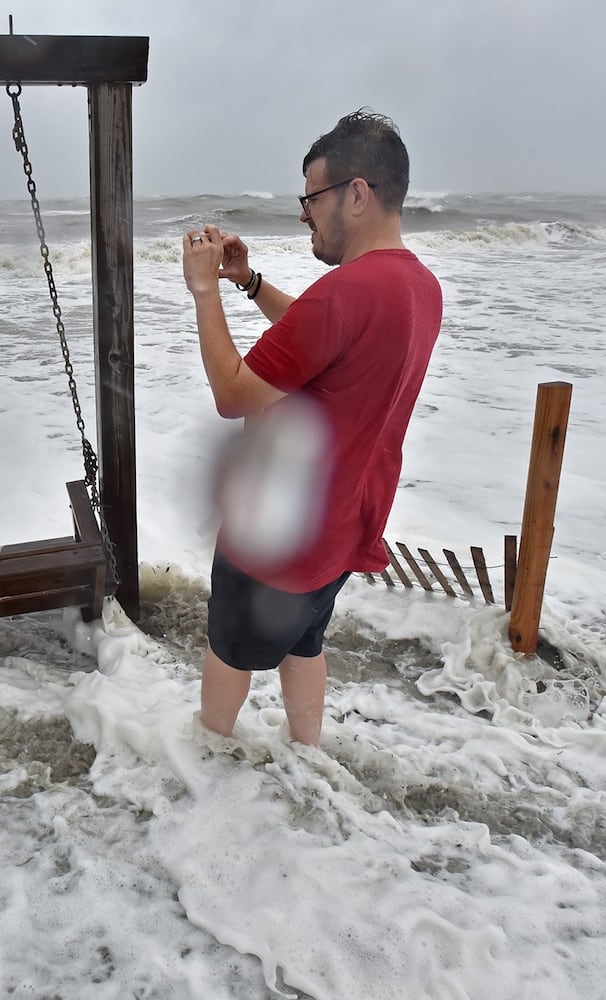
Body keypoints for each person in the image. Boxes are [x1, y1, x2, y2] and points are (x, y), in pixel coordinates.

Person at [180, 109, 443, 746]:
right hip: (343, 522)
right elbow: (322, 331)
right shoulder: (418, 285)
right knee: (305, 640)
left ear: (356, 194)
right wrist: (248, 282)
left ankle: (205, 760)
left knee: (229, 651)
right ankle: (308, 754)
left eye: (310, 196)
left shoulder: (344, 293)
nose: (303, 213)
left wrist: (205, 293)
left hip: (277, 528)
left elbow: (233, 395)